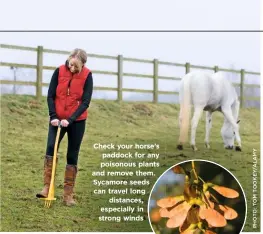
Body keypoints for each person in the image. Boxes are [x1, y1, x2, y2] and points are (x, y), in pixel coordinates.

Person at [36, 48, 93, 206]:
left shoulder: (88, 76)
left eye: (76, 66)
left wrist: (71, 119)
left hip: (77, 121)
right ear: (69, 59)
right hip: (57, 119)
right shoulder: (59, 71)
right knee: (50, 147)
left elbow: (86, 102)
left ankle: (68, 195)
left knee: (72, 155)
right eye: (71, 64)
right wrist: (53, 116)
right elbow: (50, 95)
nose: (72, 68)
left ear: (82, 64)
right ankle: (47, 187)